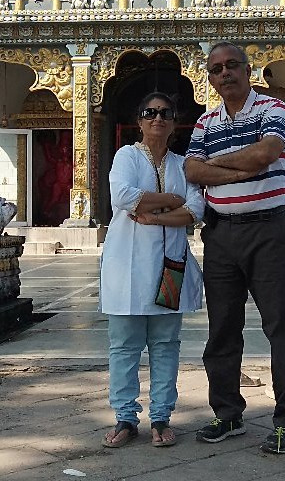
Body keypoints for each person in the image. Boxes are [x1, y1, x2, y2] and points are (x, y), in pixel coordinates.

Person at [184, 41, 285, 455]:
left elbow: (268, 153)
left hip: (268, 232)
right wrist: (242, 168)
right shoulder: (204, 122)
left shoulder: (273, 109)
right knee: (222, 330)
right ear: (211, 78)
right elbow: (191, 169)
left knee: (280, 327)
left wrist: (220, 171)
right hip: (220, 236)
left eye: (232, 65)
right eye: (215, 69)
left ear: (248, 69)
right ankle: (227, 413)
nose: (224, 74)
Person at [99, 92, 205, 449]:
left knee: (165, 345)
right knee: (125, 346)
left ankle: (161, 417)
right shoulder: (127, 156)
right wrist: (172, 201)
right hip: (126, 267)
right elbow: (123, 197)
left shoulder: (182, 164)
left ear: (174, 123)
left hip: (171, 266)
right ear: (140, 121)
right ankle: (125, 418)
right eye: (150, 113)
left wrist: (154, 214)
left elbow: (197, 210)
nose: (157, 118)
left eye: (165, 113)